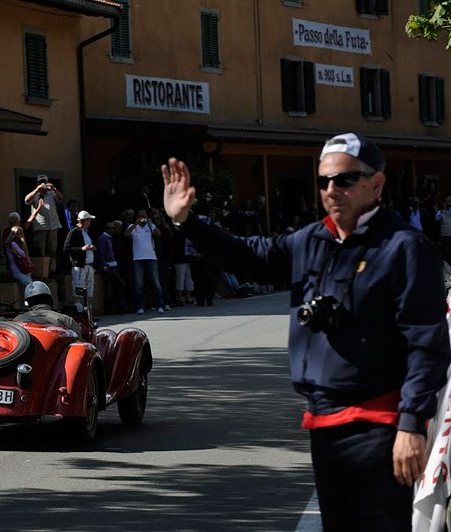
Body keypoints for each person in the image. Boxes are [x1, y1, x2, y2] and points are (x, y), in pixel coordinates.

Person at [160, 132, 451, 531]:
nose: (332, 190)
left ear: (376, 184)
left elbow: (426, 343)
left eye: (346, 179)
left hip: (379, 428)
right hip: (324, 424)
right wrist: (187, 221)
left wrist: (411, 424)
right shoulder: (312, 239)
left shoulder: (406, 247)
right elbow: (247, 257)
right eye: (324, 181)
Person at [125, 208, 164, 314]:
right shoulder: (133, 227)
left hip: (151, 257)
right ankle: (140, 307)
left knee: (156, 283)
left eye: (144, 216)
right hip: (138, 259)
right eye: (140, 216)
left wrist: (151, 223)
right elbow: (127, 234)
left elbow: (158, 233)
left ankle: (159, 305)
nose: (142, 218)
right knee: (139, 285)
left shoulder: (150, 226)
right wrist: (135, 224)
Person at [24, 174, 64, 275]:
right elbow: (26, 200)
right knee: (40, 250)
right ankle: (41, 271)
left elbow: (61, 198)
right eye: (41, 182)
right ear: (37, 183)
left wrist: (54, 189)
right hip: (40, 226)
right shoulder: (35, 195)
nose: (43, 184)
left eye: (44, 182)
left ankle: (52, 271)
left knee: (52, 249)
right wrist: (37, 189)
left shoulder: (52, 193)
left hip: (53, 226)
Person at [13, 281, 82, 338]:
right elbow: (79, 341)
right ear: (50, 300)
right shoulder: (66, 320)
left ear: (28, 303)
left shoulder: (18, 320)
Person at [96, 220, 130, 313]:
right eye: (109, 228)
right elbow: (101, 253)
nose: (111, 230)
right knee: (115, 286)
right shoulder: (103, 238)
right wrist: (104, 265)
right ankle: (114, 308)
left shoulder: (110, 238)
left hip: (114, 265)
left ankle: (118, 307)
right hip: (109, 266)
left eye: (113, 228)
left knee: (117, 286)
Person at [63, 210, 97, 303]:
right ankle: (80, 312)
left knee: (89, 291)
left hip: (89, 265)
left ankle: (88, 312)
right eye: (88, 220)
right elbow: (66, 248)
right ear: (84, 221)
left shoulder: (86, 232)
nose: (90, 222)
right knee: (79, 291)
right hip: (79, 265)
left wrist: (92, 247)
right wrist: (81, 249)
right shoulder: (74, 232)